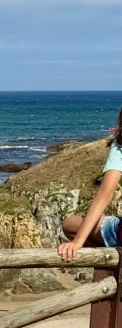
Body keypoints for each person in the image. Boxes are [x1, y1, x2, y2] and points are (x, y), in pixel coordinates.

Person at [57, 107, 122, 262]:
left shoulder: (120, 146)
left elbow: (105, 194)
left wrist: (78, 241)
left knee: (69, 225)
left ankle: (107, 262)